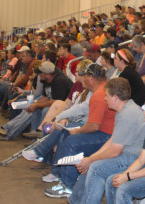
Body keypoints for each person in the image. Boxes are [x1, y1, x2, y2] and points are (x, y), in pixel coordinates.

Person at [68, 77, 145, 203]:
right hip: (129, 154)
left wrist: (91, 160)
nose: (105, 98)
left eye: (106, 96)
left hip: (137, 158)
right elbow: (112, 140)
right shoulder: (123, 109)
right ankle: (75, 200)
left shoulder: (128, 114)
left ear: (115, 97)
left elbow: (114, 151)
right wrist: (90, 158)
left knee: (95, 168)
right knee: (92, 163)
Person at [43, 64, 115, 197]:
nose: (82, 79)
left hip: (107, 136)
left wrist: (77, 131)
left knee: (72, 141)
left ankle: (68, 186)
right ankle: (62, 176)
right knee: (67, 135)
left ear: (91, 78)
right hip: (107, 132)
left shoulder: (99, 95)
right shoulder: (102, 90)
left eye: (84, 76)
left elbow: (94, 126)